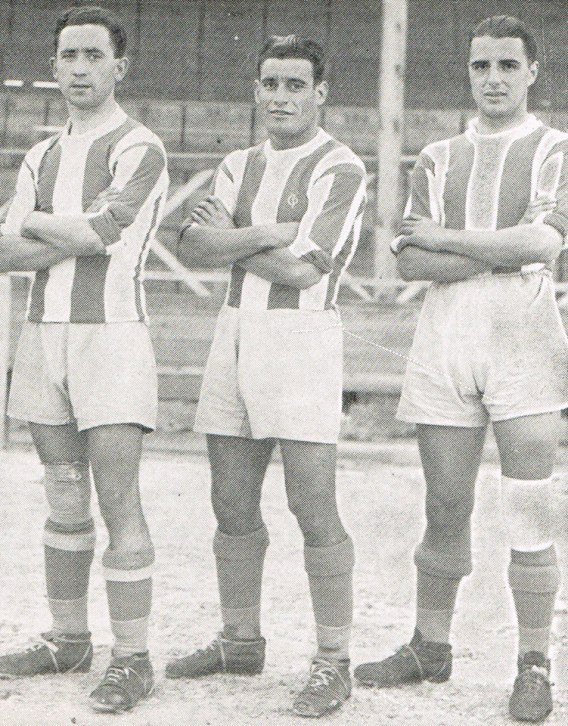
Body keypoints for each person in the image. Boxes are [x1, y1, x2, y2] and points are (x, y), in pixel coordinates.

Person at [355, 15, 568, 723]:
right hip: (447, 335)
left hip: (523, 334)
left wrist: (450, 238)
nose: (494, 79)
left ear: (532, 71)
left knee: (529, 508)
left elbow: (543, 243)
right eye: (481, 66)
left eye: (507, 65)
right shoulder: (439, 156)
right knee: (445, 505)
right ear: (469, 73)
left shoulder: (555, 149)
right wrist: (495, 248)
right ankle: (430, 645)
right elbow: (410, 259)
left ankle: (533, 663)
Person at [166, 35, 367, 718]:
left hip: (301, 339)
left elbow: (303, 270)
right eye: (271, 84)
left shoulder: (340, 167)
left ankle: (334, 660)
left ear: (320, 93)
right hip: (234, 332)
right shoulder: (236, 163)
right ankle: (240, 640)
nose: (281, 97)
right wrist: (268, 231)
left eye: (295, 85)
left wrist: (235, 236)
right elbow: (192, 242)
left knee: (312, 505)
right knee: (230, 500)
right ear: (255, 90)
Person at [0, 5, 168, 714]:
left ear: (119, 67)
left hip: (112, 336)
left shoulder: (140, 147)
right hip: (44, 333)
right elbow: (6, 250)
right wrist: (55, 231)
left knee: (118, 497)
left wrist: (36, 222)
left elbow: (103, 232)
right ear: (53, 66)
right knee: (64, 491)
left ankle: (132, 657)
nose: (79, 68)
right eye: (68, 55)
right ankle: (68, 638)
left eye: (94, 56)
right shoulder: (40, 155)